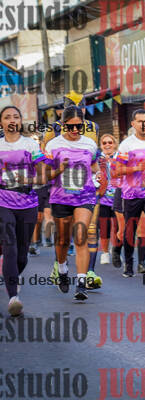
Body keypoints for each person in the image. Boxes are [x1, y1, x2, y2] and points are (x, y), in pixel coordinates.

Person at [45, 106, 104, 301]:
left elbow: (94, 165)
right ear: (63, 125)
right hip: (60, 197)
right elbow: (45, 173)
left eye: (80, 126)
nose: (76, 130)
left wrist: (99, 174)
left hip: (85, 195)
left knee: (80, 236)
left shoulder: (90, 144)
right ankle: (62, 269)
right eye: (71, 127)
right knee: (62, 240)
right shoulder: (53, 145)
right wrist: (59, 169)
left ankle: (81, 283)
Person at [0, 106, 47, 316]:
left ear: (20, 121)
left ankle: (10, 275)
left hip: (27, 202)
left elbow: (43, 176)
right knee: (9, 246)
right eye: (7, 117)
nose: (12, 120)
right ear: (1, 122)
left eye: (16, 117)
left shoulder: (31, 145)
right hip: (3, 200)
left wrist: (28, 179)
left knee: (22, 255)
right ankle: (13, 298)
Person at [114, 109, 145, 277]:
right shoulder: (126, 144)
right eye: (140, 121)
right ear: (133, 124)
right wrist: (138, 167)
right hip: (131, 193)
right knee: (130, 230)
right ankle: (129, 263)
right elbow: (118, 170)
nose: (144, 124)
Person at [98, 134, 118, 265]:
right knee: (104, 227)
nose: (107, 145)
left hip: (118, 198)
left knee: (118, 228)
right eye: (104, 143)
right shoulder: (98, 160)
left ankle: (115, 250)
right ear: (101, 145)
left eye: (110, 142)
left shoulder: (120, 158)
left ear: (114, 144)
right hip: (103, 198)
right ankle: (105, 253)